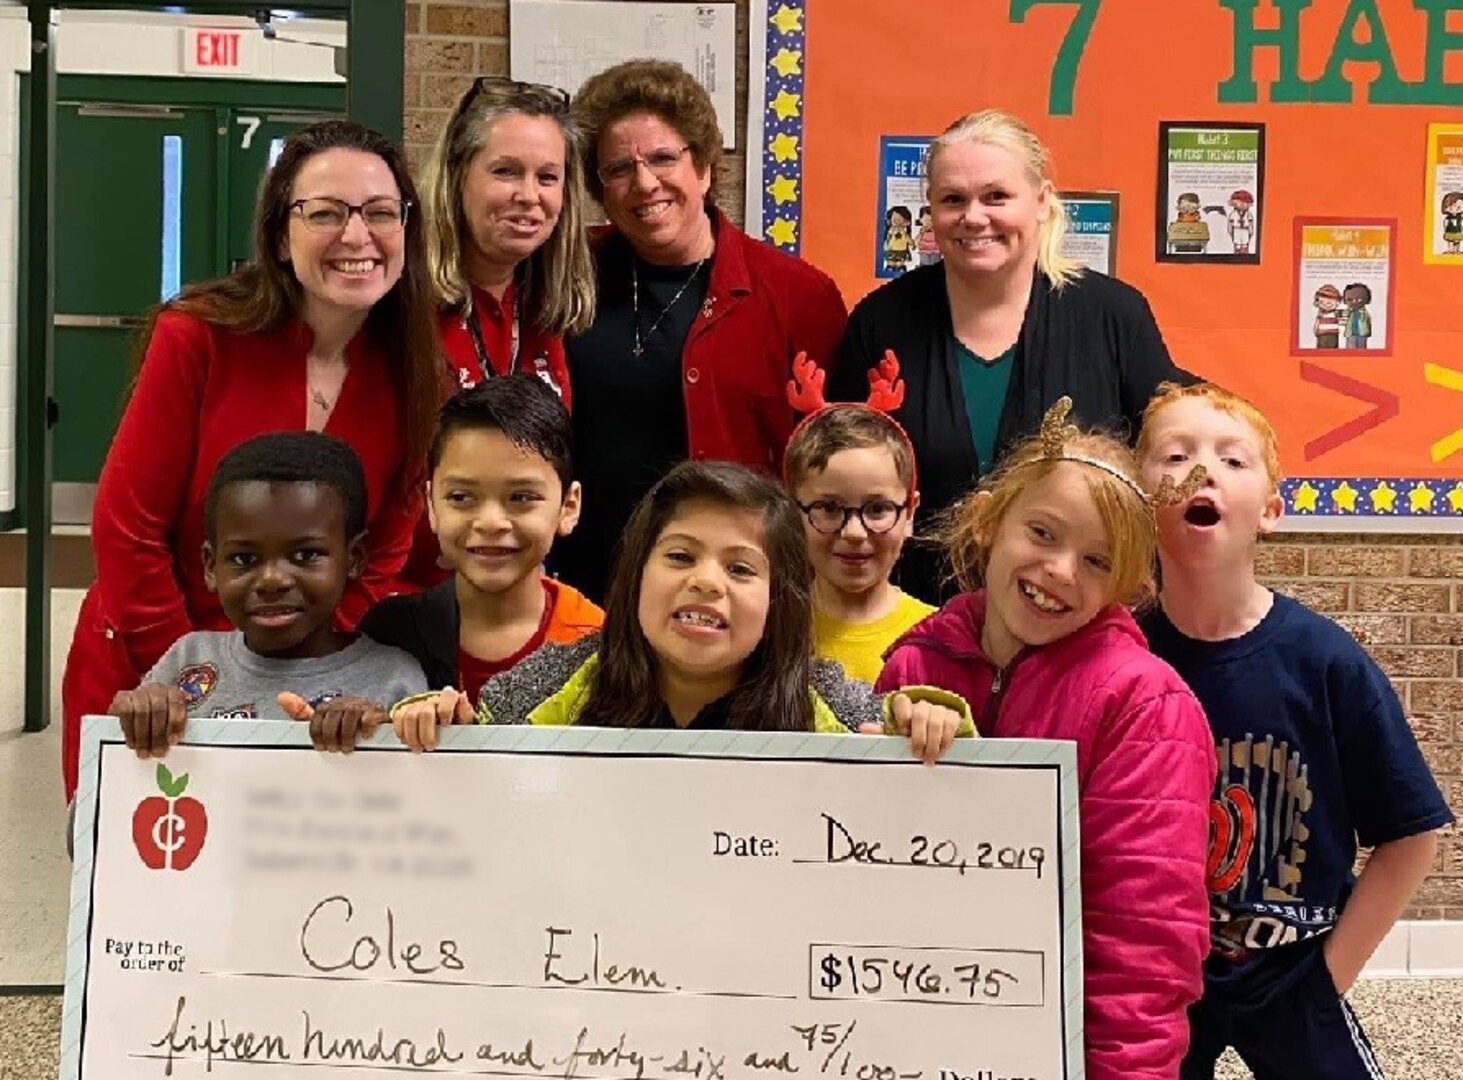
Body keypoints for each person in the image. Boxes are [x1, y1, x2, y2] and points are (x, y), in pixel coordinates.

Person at [60, 119, 444, 801]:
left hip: (310, 693)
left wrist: (321, 670)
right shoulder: (199, 336)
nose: (357, 236)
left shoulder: (417, 374)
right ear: (277, 233)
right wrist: (201, 680)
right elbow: (127, 528)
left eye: (381, 213)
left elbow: (384, 544)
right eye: (325, 212)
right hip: (158, 678)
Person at [875, 398, 1214, 1080]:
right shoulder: (913, 665)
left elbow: (1143, 940)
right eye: (1041, 532)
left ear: (1123, 584)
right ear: (989, 522)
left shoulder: (1144, 705)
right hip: (907, 1038)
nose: (1061, 570)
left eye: (1096, 561)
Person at [1135, 383, 1454, 1080]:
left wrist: (1328, 976)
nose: (1203, 471)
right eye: (1175, 454)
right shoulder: (1117, 659)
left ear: (1270, 512)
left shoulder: (1324, 662)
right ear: (1138, 502)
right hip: (1156, 972)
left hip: (1291, 962)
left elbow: (1413, 832)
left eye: (1232, 460)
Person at [829, 109, 1191, 603]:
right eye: (953, 199)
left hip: (1075, 618)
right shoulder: (881, 322)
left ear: (1042, 202)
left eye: (996, 196)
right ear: (931, 210)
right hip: (919, 621)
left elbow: (1170, 449)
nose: (974, 217)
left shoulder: (1112, 315)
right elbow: (840, 474)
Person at [393, 461, 970, 762]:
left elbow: (955, 803)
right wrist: (437, 734)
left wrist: (935, 733)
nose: (705, 582)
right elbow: (470, 785)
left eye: (741, 569)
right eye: (679, 556)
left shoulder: (837, 707)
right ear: (637, 571)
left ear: (780, 602)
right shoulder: (542, 688)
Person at [552, 58, 848, 604]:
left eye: (663, 158)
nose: (644, 183)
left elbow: (838, 462)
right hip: (584, 594)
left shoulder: (797, 295)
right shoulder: (563, 276)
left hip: (735, 599)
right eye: (618, 168)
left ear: (705, 168)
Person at [110, 433, 427, 758]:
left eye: (305, 555)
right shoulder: (187, 661)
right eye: (244, 559)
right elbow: (115, 788)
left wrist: (376, 738)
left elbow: (429, 797)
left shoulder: (393, 679)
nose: (272, 580)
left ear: (355, 557)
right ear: (210, 566)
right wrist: (137, 719)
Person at [401, 76, 598, 587]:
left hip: (510, 599)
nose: (529, 196)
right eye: (506, 172)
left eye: (548, 177)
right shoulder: (398, 303)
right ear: (456, 176)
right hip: (405, 606)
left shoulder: (545, 310)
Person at [356, 378, 602, 715]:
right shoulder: (389, 634)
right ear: (431, 504)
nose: (490, 522)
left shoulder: (600, 649)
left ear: (568, 506)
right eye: (461, 497)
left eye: (521, 498)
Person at [783, 352, 933, 683]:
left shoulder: (939, 639)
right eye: (829, 509)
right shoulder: (768, 629)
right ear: (794, 513)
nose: (853, 532)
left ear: (909, 512)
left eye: (878, 509)